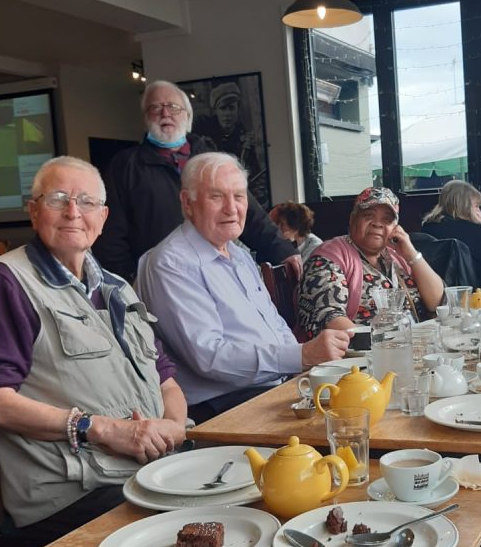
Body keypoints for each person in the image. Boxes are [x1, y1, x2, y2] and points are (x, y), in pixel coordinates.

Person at [0, 156, 187, 547]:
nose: (73, 212)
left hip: (146, 472)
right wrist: (103, 428)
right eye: (58, 199)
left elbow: (166, 378)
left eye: (86, 202)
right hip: (72, 495)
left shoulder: (117, 286)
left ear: (103, 217)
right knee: (198, 529)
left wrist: (175, 427)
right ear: (33, 211)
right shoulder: (6, 281)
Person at [136, 152, 350, 424]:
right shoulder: (170, 262)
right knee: (343, 433)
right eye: (216, 196)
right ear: (187, 203)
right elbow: (210, 358)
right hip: (224, 406)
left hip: (274, 387)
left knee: (361, 410)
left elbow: (275, 326)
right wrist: (301, 355)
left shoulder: (238, 254)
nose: (231, 208)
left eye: (239, 197)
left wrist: (307, 362)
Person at [92, 80, 298, 283]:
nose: (165, 114)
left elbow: (248, 212)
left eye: (173, 107)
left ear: (187, 116)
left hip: (217, 274)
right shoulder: (124, 166)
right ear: (146, 117)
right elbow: (110, 236)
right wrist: (131, 281)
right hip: (158, 281)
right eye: (156, 107)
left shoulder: (212, 159)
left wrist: (282, 250)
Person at [299, 187, 444, 338]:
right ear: (352, 219)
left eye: (387, 219)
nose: (377, 224)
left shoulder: (397, 255)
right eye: (368, 215)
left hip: (418, 343)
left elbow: (438, 303)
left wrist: (412, 255)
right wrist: (389, 345)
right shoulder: (329, 257)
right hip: (363, 354)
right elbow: (328, 318)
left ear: (395, 227)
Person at [195, 82, 269, 206]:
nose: (227, 114)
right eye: (223, 108)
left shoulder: (245, 139)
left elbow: (255, 177)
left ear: (238, 110)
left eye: (231, 108)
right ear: (216, 111)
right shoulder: (203, 131)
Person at [421, 180, 481, 294]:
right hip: (472, 298)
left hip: (433, 294)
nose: (479, 210)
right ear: (465, 206)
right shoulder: (478, 232)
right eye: (476, 206)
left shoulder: (427, 228)